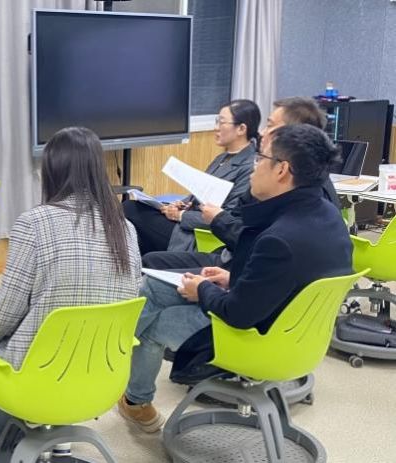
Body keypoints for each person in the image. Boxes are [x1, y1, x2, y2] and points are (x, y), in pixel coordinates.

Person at [118, 124, 352, 433]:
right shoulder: (327, 215)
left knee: (155, 323)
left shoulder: (280, 238)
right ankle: (115, 361)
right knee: (155, 286)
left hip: (256, 340)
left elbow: (237, 314)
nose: (254, 167)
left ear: (282, 170)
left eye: (260, 158)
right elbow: (288, 279)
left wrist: (203, 288)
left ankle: (131, 395)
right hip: (295, 331)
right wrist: (233, 278)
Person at [0, 127, 142, 454]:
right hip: (103, 374)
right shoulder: (124, 228)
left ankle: (13, 439)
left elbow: (6, 311)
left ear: (52, 170)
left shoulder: (35, 223)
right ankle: (59, 436)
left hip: (40, 373)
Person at [142, 96, 340, 271]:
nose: (262, 132)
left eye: (270, 125)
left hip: (243, 266)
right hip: (234, 257)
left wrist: (217, 219)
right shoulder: (306, 186)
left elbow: (258, 246)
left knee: (151, 260)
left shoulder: (296, 193)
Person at [122, 99, 260, 255]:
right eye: (217, 121)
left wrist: (181, 215)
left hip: (197, 234)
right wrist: (183, 204)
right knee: (135, 209)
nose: (216, 128)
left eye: (222, 123)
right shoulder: (221, 158)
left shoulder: (249, 167)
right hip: (187, 221)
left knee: (130, 210)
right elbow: (201, 192)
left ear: (241, 129)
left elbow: (227, 218)